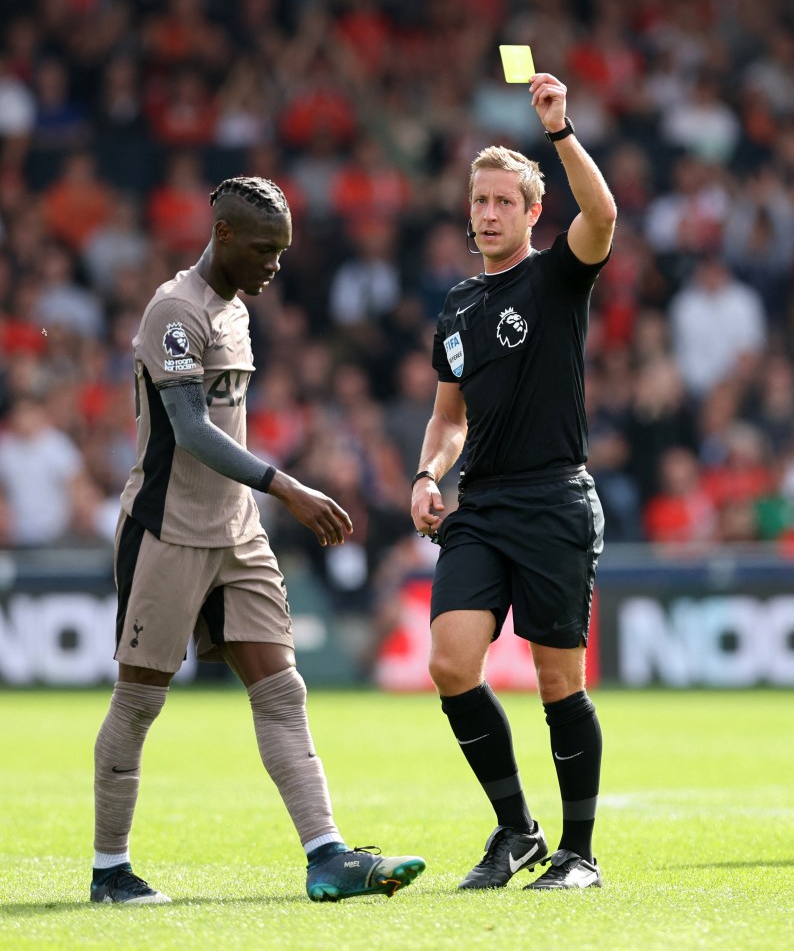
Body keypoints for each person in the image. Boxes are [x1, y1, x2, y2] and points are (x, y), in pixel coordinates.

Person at [91, 176, 425, 905]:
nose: (278, 264)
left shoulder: (237, 309)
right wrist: (288, 487)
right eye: (268, 250)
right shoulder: (174, 312)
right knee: (139, 702)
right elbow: (190, 431)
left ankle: (326, 855)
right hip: (168, 531)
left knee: (281, 692)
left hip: (236, 531)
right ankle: (109, 869)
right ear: (227, 238)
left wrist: (263, 498)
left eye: (286, 250)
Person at [410, 72, 616, 891]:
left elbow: (601, 217)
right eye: (480, 200)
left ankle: (579, 852)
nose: (488, 213)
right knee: (451, 664)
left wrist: (560, 134)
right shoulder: (457, 306)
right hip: (483, 506)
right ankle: (516, 831)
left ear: (533, 213)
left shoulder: (558, 278)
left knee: (559, 681)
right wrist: (429, 472)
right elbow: (448, 416)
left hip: (556, 498)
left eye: (504, 201)